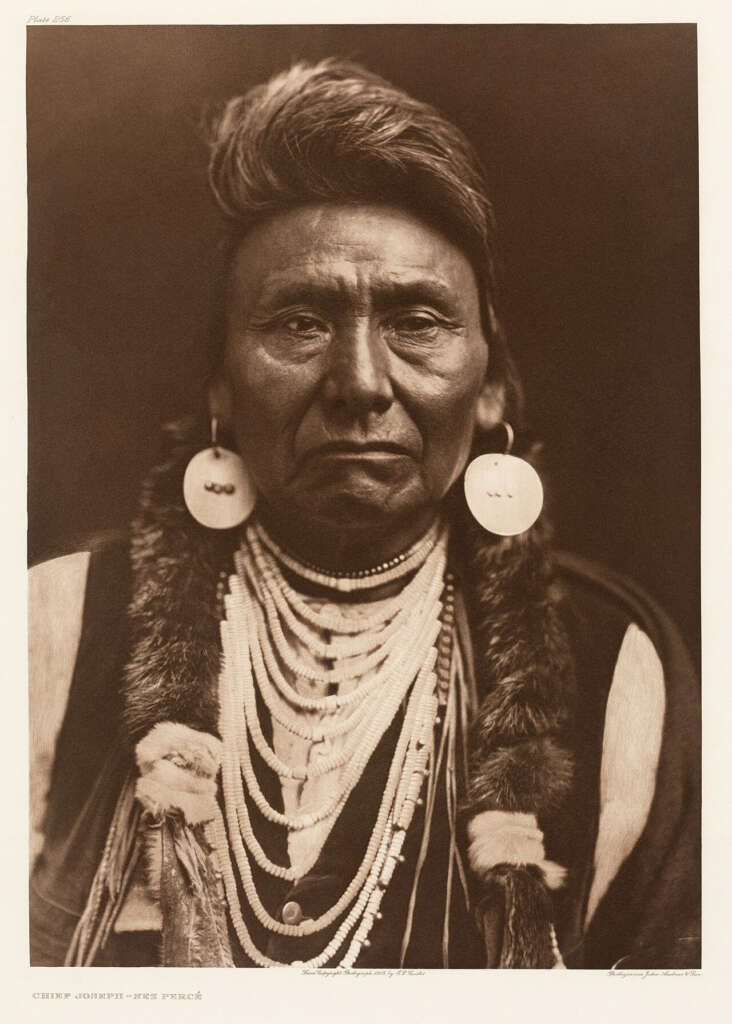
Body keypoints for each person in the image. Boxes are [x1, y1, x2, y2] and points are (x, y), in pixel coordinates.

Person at [28, 59, 700, 969]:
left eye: (417, 320)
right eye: (300, 322)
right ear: (219, 385)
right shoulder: (54, 627)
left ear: (493, 387)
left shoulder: (612, 662)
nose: (358, 383)